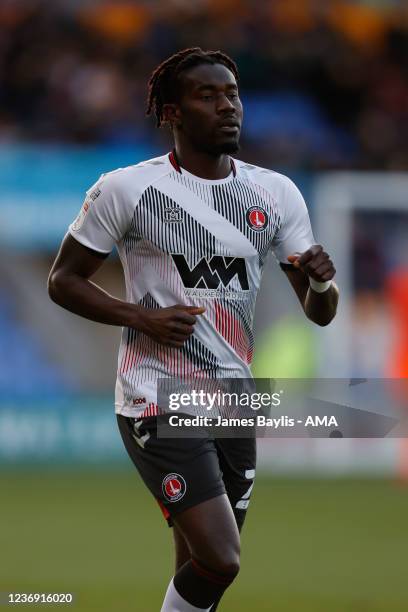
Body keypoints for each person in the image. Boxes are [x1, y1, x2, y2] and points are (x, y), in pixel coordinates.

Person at [48, 47, 338, 612]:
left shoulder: (275, 194)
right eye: (208, 96)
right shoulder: (127, 189)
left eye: (232, 94)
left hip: (233, 400)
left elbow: (318, 311)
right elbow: (63, 280)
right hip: (156, 396)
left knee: (200, 568)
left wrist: (323, 285)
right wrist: (140, 317)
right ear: (173, 113)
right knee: (222, 556)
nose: (227, 106)